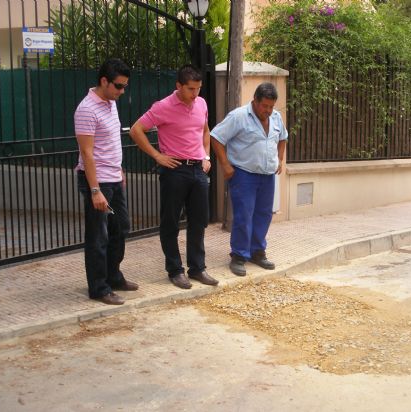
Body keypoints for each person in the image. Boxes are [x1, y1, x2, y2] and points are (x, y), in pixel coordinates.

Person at [129, 64, 218, 289]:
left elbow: (205, 130)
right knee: (170, 222)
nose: (195, 94)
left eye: (198, 89)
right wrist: (157, 156)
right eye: (190, 89)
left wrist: (206, 156)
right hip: (175, 169)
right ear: (178, 86)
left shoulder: (201, 103)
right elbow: (136, 130)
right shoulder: (163, 107)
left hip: (198, 169)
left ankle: (197, 268)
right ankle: (175, 270)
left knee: (199, 221)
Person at [74, 58, 139, 305]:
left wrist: (119, 170)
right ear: (104, 81)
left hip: (114, 178)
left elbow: (109, 142)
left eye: (124, 86)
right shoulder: (86, 109)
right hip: (97, 183)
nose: (122, 91)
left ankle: (113, 276)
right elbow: (87, 153)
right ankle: (99, 288)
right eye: (119, 86)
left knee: (120, 229)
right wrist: (94, 190)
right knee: (98, 236)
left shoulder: (110, 103)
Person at [211, 82, 288, 276]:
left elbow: (283, 138)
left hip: (268, 175)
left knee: (264, 215)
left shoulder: (276, 117)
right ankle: (238, 255)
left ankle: (257, 252)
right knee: (244, 215)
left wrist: (279, 159)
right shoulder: (238, 116)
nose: (269, 111)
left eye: (271, 106)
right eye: (265, 106)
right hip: (244, 174)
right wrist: (226, 165)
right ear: (255, 101)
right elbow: (216, 137)